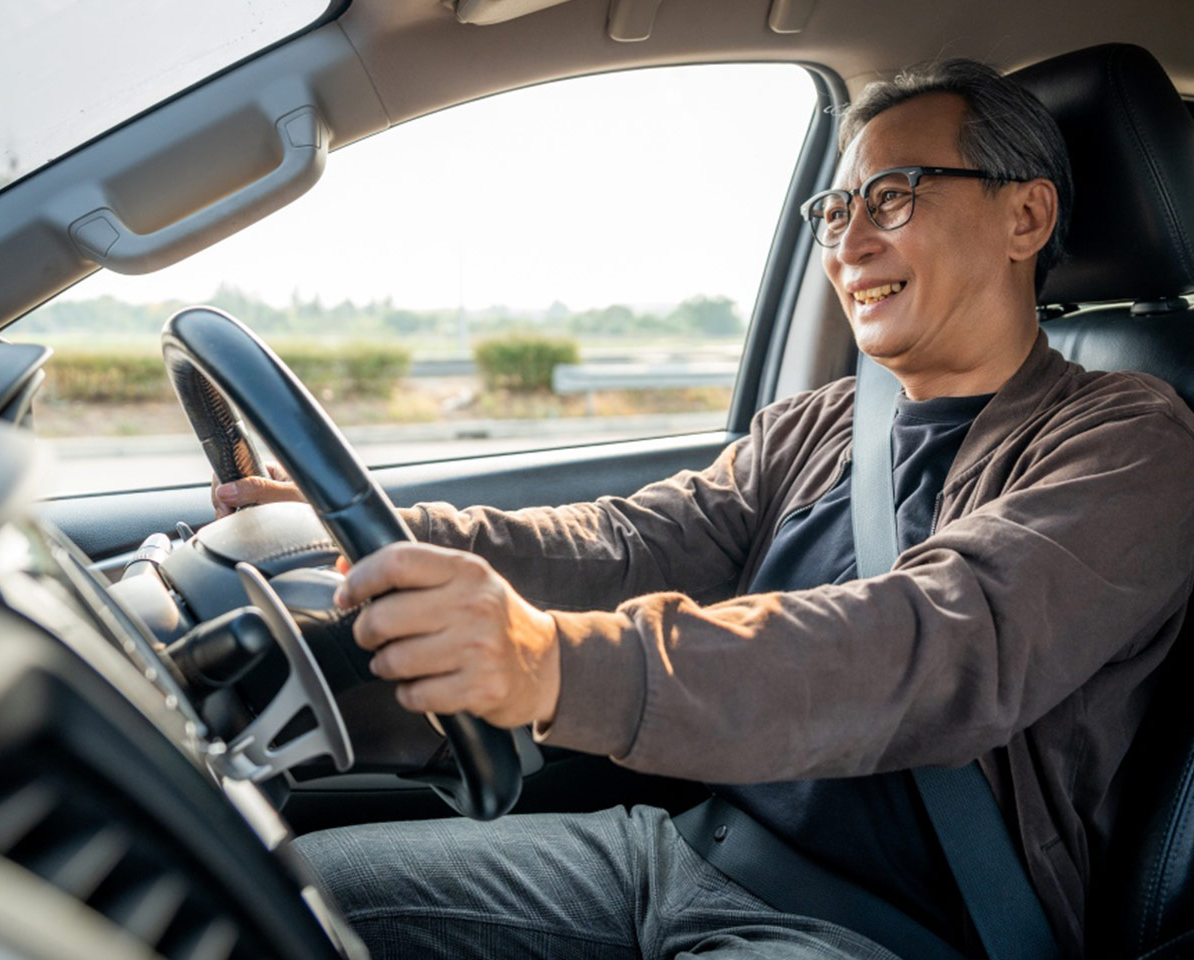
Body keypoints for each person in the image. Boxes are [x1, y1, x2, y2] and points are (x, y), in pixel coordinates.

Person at [212, 60, 1194, 959]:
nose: (848, 244)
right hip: (680, 854)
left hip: (886, 932)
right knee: (271, 903)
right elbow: (631, 544)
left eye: (893, 198)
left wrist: (552, 663)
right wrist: (366, 527)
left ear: (1025, 218)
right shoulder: (828, 422)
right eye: (835, 207)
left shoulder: (1132, 441)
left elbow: (931, 645)